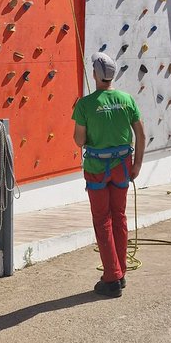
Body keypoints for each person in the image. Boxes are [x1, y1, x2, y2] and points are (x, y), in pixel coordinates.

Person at [72, 52, 145, 297]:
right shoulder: (127, 99)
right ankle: (120, 272)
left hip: (96, 169)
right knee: (119, 217)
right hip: (123, 167)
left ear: (94, 74)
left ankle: (112, 276)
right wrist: (137, 165)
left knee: (102, 220)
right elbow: (141, 135)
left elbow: (79, 140)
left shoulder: (84, 104)